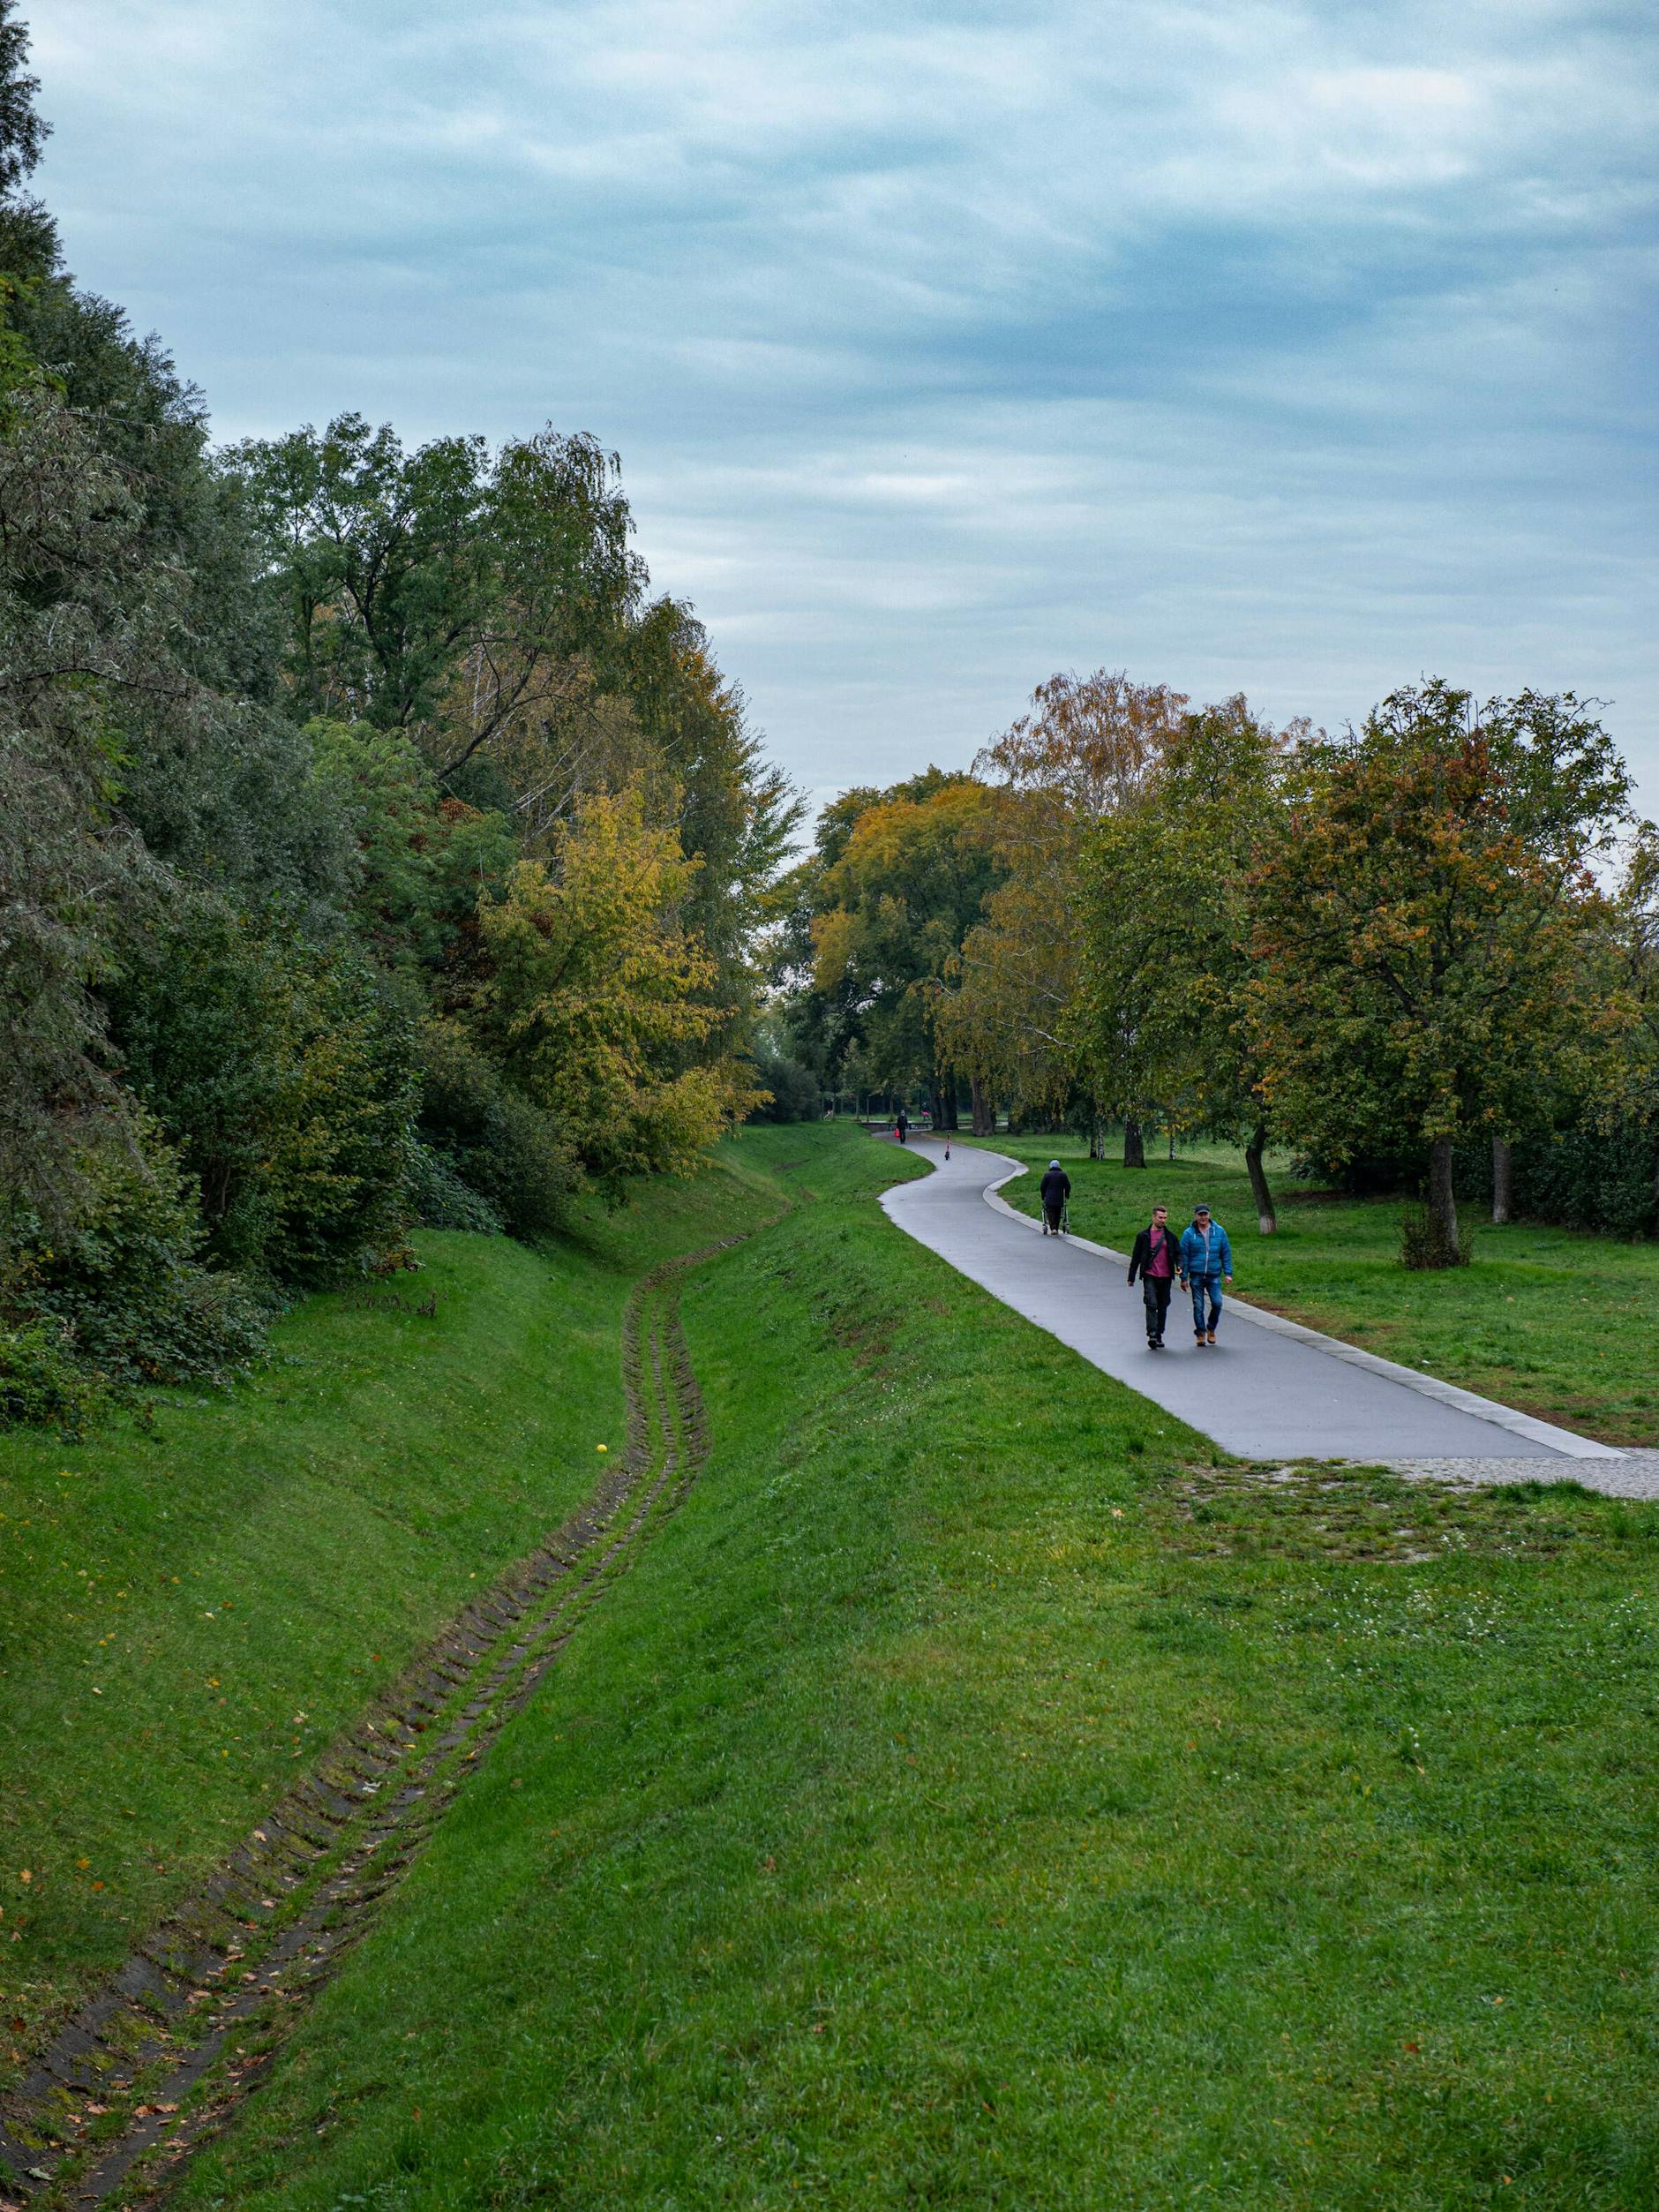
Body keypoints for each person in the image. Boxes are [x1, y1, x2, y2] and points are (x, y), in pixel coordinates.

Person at [1179, 1202, 1233, 1346]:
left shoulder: (1219, 1231)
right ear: (1195, 1216)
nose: (1203, 1217)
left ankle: (1211, 1328)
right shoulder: (1189, 1233)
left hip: (1213, 1274)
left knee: (1217, 1303)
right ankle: (1200, 1333)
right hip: (1196, 1275)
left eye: (1205, 1214)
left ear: (1209, 1215)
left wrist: (1228, 1272)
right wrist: (1183, 1277)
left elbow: (1225, 1253)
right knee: (1198, 1306)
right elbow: (1184, 1256)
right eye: (1200, 1215)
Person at [1127, 1201, 1177, 1348]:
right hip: (1150, 1274)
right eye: (1160, 1217)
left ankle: (1159, 1333)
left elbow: (1178, 1253)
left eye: (1165, 1218)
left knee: (1163, 1305)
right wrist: (1131, 1276)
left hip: (1166, 1276)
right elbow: (1136, 1256)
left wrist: (1179, 1266)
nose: (1163, 1220)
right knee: (1151, 1303)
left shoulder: (1170, 1237)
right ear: (1153, 1217)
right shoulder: (1143, 1236)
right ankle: (1153, 1334)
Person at [1039, 1159, 1070, 1236]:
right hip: (1059, 1198)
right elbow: (1068, 1186)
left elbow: (1042, 1187)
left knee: (1051, 1213)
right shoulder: (1063, 1175)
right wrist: (1067, 1194)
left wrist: (1043, 1195)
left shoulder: (1047, 1175)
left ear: (1050, 1166)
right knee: (1058, 1213)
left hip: (1049, 1198)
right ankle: (1055, 1228)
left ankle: (1053, 1228)